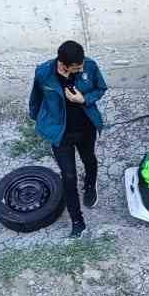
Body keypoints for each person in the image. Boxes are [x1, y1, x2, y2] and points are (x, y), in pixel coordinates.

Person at [28, 39, 108, 238]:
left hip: (85, 127)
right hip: (60, 133)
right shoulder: (44, 73)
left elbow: (101, 88)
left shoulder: (89, 65)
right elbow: (36, 99)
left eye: (81, 65)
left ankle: (90, 185)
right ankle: (77, 221)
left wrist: (84, 99)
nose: (81, 69)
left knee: (89, 159)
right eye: (76, 67)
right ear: (63, 65)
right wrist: (39, 120)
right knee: (69, 176)